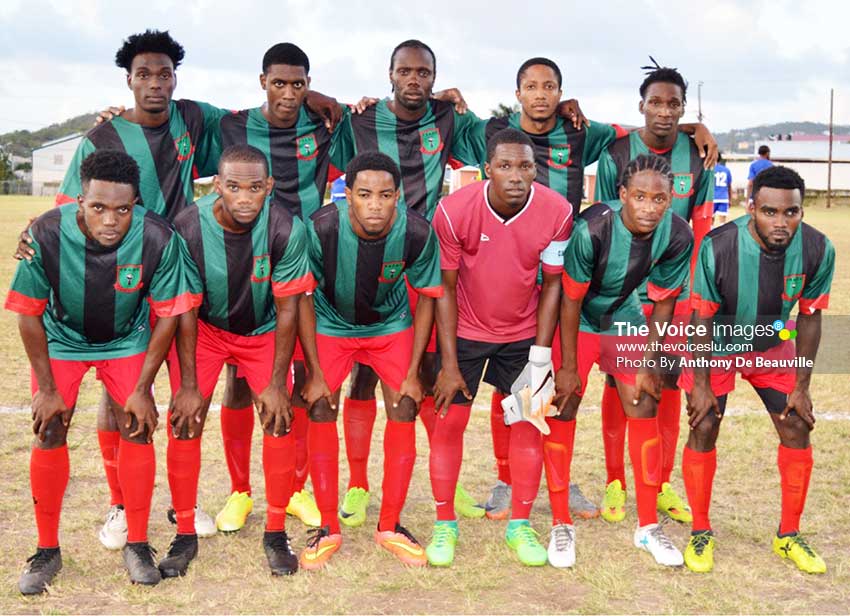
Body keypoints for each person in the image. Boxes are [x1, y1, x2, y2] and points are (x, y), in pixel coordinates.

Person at [475, 56, 717, 520]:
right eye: (531, 86)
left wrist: (692, 128)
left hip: (593, 278)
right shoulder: (494, 131)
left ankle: (614, 484)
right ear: (518, 92)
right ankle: (508, 480)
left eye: (549, 86)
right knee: (516, 380)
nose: (541, 94)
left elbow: (648, 127)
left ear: (561, 92)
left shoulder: (584, 132)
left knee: (629, 387)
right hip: (526, 274)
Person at [14, 29, 226, 546]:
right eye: (144, 75)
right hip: (119, 280)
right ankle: (119, 504)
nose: (155, 84)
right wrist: (35, 234)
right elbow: (70, 211)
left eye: (164, 74)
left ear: (175, 79)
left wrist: (321, 99)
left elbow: (259, 120)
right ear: (128, 80)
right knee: (123, 395)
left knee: (186, 389)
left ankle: (183, 502)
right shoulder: (101, 136)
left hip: (177, 269)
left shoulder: (194, 118)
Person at [9, 150, 199, 593]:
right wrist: (47, 389)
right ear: (79, 201)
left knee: (137, 425)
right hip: (62, 339)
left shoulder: (158, 236)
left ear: (136, 204)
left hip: (126, 339)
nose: (110, 220)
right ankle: (46, 550)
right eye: (98, 207)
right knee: (49, 429)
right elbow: (28, 313)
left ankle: (137, 542)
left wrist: (144, 387)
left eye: (122, 209)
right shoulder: (45, 234)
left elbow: (169, 314)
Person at [330, 39, 489, 526]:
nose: (414, 79)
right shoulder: (361, 121)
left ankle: (447, 480)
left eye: (424, 72)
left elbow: (495, 143)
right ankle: (358, 484)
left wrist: (465, 107)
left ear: (435, 78)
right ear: (390, 74)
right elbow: (325, 153)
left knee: (429, 371)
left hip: (423, 258)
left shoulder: (446, 118)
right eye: (405, 71)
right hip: (368, 257)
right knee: (363, 374)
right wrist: (326, 101)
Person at [163, 145, 316, 577]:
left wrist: (276, 383)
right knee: (185, 419)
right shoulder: (188, 226)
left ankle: (275, 531)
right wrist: (188, 385)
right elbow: (185, 308)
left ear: (269, 186)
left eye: (254, 188)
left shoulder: (286, 228)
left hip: (263, 330)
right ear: (217, 186)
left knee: (278, 417)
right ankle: (185, 533)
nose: (245, 198)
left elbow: (288, 308)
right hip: (205, 330)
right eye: (233, 187)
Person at [429, 128, 572, 567]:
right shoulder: (453, 211)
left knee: (529, 424)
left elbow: (553, 285)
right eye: (505, 166)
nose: (515, 176)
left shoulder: (558, 211)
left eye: (525, 166)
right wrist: (448, 362)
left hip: (523, 334)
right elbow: (444, 288)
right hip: (465, 331)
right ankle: (445, 524)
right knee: (449, 425)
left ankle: (520, 525)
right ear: (486, 169)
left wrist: (541, 358)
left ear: (535, 169)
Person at [681, 166, 833, 574]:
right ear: (751, 208)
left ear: (802, 211)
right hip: (717, 342)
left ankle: (788, 535)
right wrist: (700, 384)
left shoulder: (818, 248)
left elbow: (810, 317)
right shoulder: (718, 246)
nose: (780, 222)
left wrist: (802, 385)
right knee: (704, 424)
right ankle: (700, 531)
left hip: (771, 343)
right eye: (769, 212)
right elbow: (701, 319)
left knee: (796, 424)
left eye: (790, 212)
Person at [298, 152, 443, 570]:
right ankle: (328, 526)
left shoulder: (417, 231)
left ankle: (390, 525)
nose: (375, 205)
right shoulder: (320, 228)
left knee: (405, 404)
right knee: (320, 405)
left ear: (398, 196)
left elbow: (428, 298)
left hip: (389, 325)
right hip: (330, 322)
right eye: (364, 195)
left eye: (384, 195)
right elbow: (302, 296)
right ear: (348, 196)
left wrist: (413, 373)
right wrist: (313, 370)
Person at [552, 154, 693, 567]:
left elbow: (663, 303)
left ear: (671, 199)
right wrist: (568, 367)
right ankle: (561, 522)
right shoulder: (593, 228)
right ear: (622, 194)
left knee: (643, 401)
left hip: (623, 316)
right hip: (577, 318)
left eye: (659, 199)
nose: (649, 207)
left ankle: (647, 526)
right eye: (640, 196)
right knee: (564, 403)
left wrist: (650, 360)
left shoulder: (677, 234)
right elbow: (570, 300)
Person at [594, 62, 714, 525]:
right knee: (618, 382)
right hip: (624, 294)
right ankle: (615, 483)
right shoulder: (616, 153)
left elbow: (701, 229)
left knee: (664, 381)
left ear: (683, 109)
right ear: (641, 106)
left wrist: (695, 293)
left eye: (673, 104)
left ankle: (660, 482)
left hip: (675, 294)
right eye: (656, 103)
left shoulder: (698, 155)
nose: (664, 111)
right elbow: (606, 222)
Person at [713, 152, 733, 225]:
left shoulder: (710, 169)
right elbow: (729, 186)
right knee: (722, 222)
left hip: (712, 198)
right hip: (723, 198)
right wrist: (730, 199)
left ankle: (711, 231)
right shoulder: (726, 170)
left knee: (710, 221)